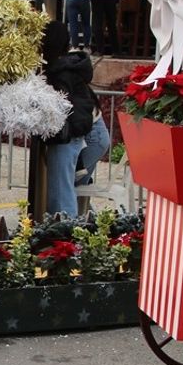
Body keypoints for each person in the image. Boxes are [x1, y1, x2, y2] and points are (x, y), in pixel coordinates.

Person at [40, 20, 107, 217]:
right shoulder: (71, 66)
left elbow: (74, 111)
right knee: (72, 188)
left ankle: (65, 238)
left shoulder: (61, 72)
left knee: (62, 193)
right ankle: (80, 228)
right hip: (95, 132)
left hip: (79, 134)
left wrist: (64, 133)